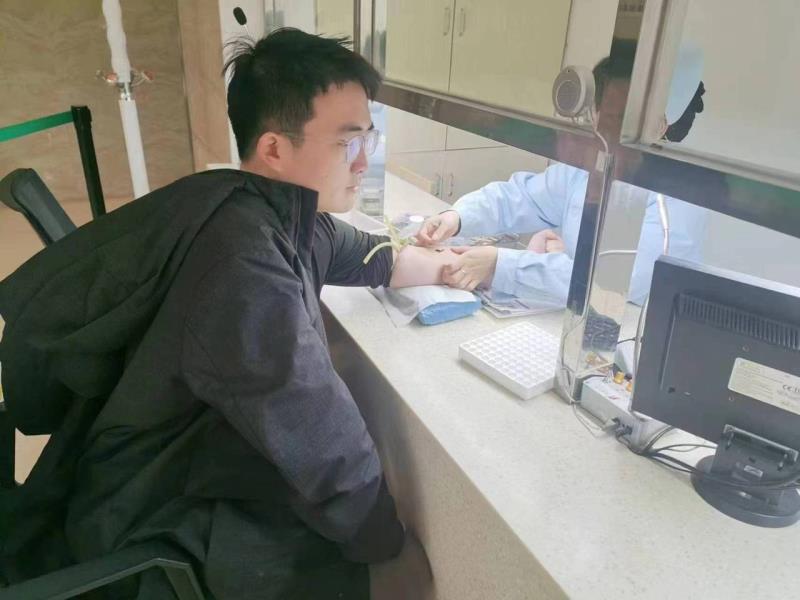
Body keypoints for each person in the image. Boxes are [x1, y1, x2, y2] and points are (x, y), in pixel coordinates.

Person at [0, 29, 445, 599]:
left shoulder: (245, 203)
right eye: (347, 142)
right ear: (275, 148)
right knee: (403, 577)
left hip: (165, 460)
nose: (364, 161)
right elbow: (320, 435)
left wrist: (447, 265)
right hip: (153, 509)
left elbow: (360, 252)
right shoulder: (244, 265)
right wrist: (383, 543)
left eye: (369, 137)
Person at [416, 45, 709, 307]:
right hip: (576, 315)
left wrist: (499, 265)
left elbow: (613, 280)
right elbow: (523, 197)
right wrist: (457, 218)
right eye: (609, 118)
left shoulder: (673, 198)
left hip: (634, 334)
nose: (614, 133)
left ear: (658, 127)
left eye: (627, 122)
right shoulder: (588, 170)